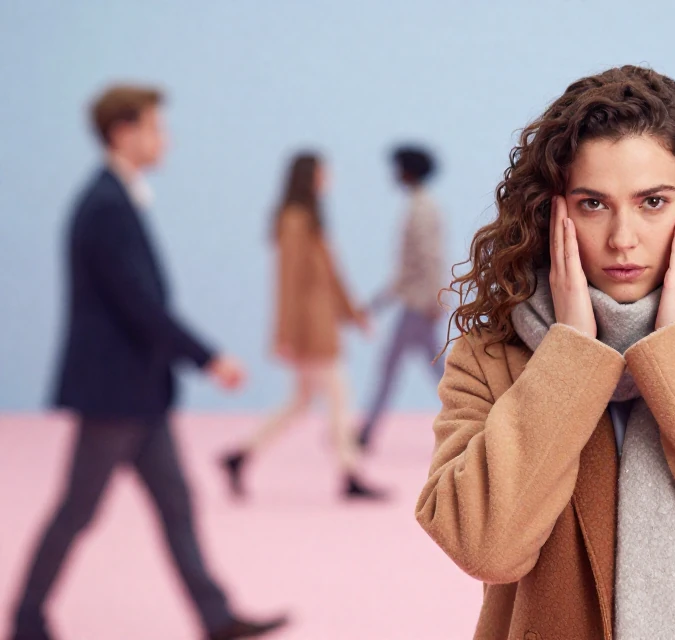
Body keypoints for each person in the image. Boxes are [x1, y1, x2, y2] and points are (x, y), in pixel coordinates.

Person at [414, 66, 675, 640]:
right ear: (554, 211)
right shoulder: (491, 357)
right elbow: (485, 547)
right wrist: (570, 355)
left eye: (652, 202)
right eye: (593, 204)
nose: (622, 238)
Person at [9, 85, 287, 640]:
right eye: (156, 128)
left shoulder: (116, 198)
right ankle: (26, 620)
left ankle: (214, 616)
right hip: (115, 394)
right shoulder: (106, 206)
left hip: (139, 392)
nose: (165, 140)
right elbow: (140, 305)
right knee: (78, 509)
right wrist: (209, 358)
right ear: (122, 132)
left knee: (176, 504)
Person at [219, 153, 385, 501]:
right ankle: (349, 473)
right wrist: (285, 334)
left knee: (301, 401)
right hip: (310, 329)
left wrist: (354, 316)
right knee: (338, 396)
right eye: (323, 173)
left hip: (320, 325)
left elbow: (332, 277)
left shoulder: (311, 219)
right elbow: (288, 281)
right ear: (309, 176)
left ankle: (240, 455)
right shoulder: (295, 220)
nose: (328, 179)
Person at [356, 144, 447, 450]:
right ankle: (366, 430)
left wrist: (434, 299)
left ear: (409, 172)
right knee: (429, 370)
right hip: (417, 303)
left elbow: (427, 258)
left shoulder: (422, 209)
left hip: (419, 306)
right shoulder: (420, 206)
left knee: (415, 370)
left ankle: (366, 431)